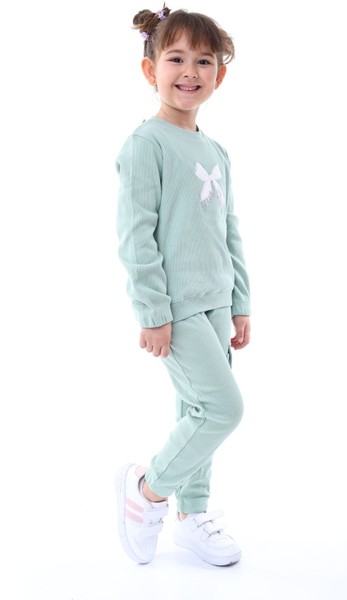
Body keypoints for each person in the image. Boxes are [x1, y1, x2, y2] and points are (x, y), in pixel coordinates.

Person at [115, 5, 251, 567]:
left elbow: (228, 229)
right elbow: (136, 236)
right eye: (175, 59)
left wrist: (240, 301)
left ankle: (193, 514)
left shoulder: (216, 151)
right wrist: (153, 311)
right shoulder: (145, 145)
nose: (190, 71)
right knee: (221, 410)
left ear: (220, 73)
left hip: (216, 302)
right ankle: (147, 491)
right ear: (151, 70)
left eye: (204, 61)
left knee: (195, 410)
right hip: (177, 308)